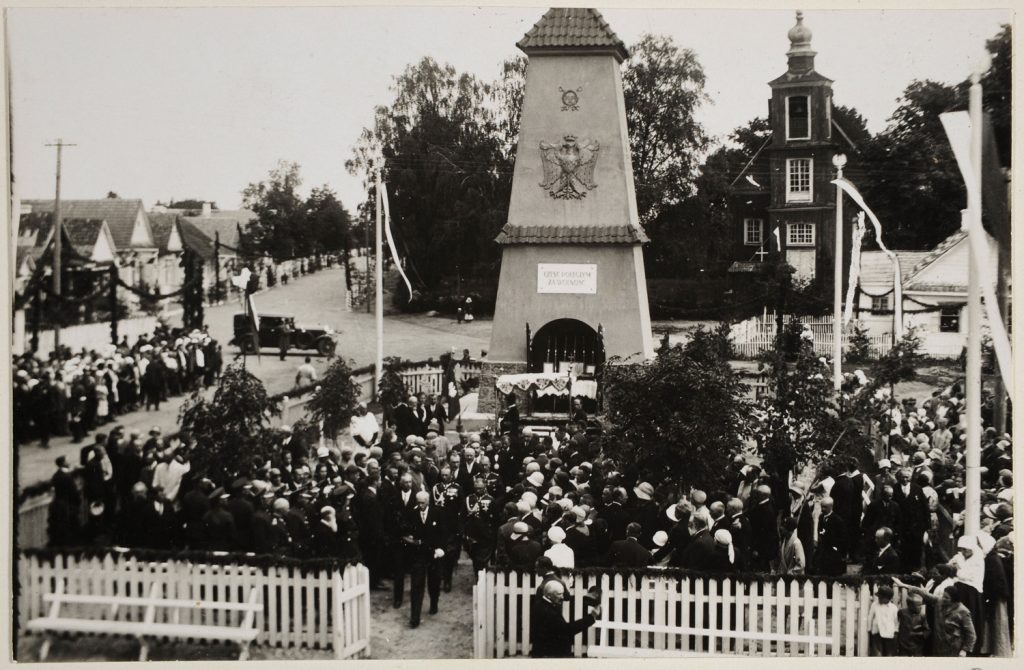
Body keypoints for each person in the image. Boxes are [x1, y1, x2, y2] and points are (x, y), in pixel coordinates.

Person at [894, 579, 976, 657]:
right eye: (943, 596)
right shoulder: (939, 602)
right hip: (938, 647)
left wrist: (965, 650)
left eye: (946, 598)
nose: (943, 599)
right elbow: (922, 593)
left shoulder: (963, 611)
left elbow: (971, 634)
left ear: (954, 600)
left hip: (954, 649)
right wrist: (903, 585)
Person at [400, 491, 444, 628]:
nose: (420, 505)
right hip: (418, 555)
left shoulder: (437, 513)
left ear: (428, 501)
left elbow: (444, 533)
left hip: (434, 554)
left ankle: (434, 603)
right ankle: (415, 618)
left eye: (422, 503)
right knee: (417, 585)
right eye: (418, 502)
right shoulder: (412, 514)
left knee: (434, 581)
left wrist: (441, 548)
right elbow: (406, 533)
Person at [529, 580, 600, 658]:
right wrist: (591, 617)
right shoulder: (549, 611)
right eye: (559, 594)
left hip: (545, 652)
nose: (562, 597)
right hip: (551, 655)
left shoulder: (541, 604)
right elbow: (567, 630)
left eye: (562, 594)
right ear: (549, 595)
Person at [868, 584, 899, 656]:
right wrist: (869, 629)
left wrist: (896, 631)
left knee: (889, 653)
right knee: (877, 653)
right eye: (879, 597)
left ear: (888, 599)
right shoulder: (874, 605)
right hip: (877, 632)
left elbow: (896, 620)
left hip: (889, 632)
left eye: (881, 598)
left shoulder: (893, 608)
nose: (879, 599)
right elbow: (870, 617)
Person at [897, 592, 931, 656]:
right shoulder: (902, 613)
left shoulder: (922, 615)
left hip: (916, 646)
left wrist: (919, 634)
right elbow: (896, 625)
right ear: (910, 605)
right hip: (903, 645)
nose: (920, 607)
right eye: (918, 605)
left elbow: (927, 630)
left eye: (921, 605)